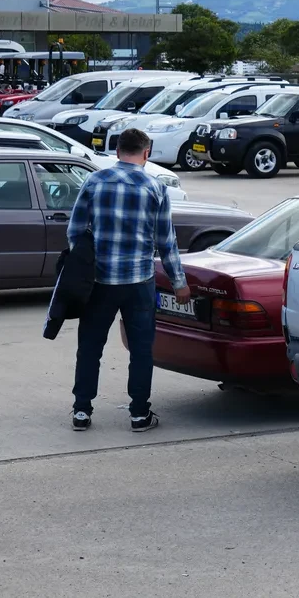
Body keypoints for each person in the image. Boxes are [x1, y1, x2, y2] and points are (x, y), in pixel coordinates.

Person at [67, 128, 189, 433]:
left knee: (90, 346)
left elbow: (75, 230)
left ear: (117, 151)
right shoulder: (155, 187)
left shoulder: (95, 181)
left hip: (99, 281)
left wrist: (83, 266)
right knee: (141, 349)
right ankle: (139, 414)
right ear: (146, 153)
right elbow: (166, 242)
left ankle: (81, 411)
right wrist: (179, 282)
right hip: (139, 282)